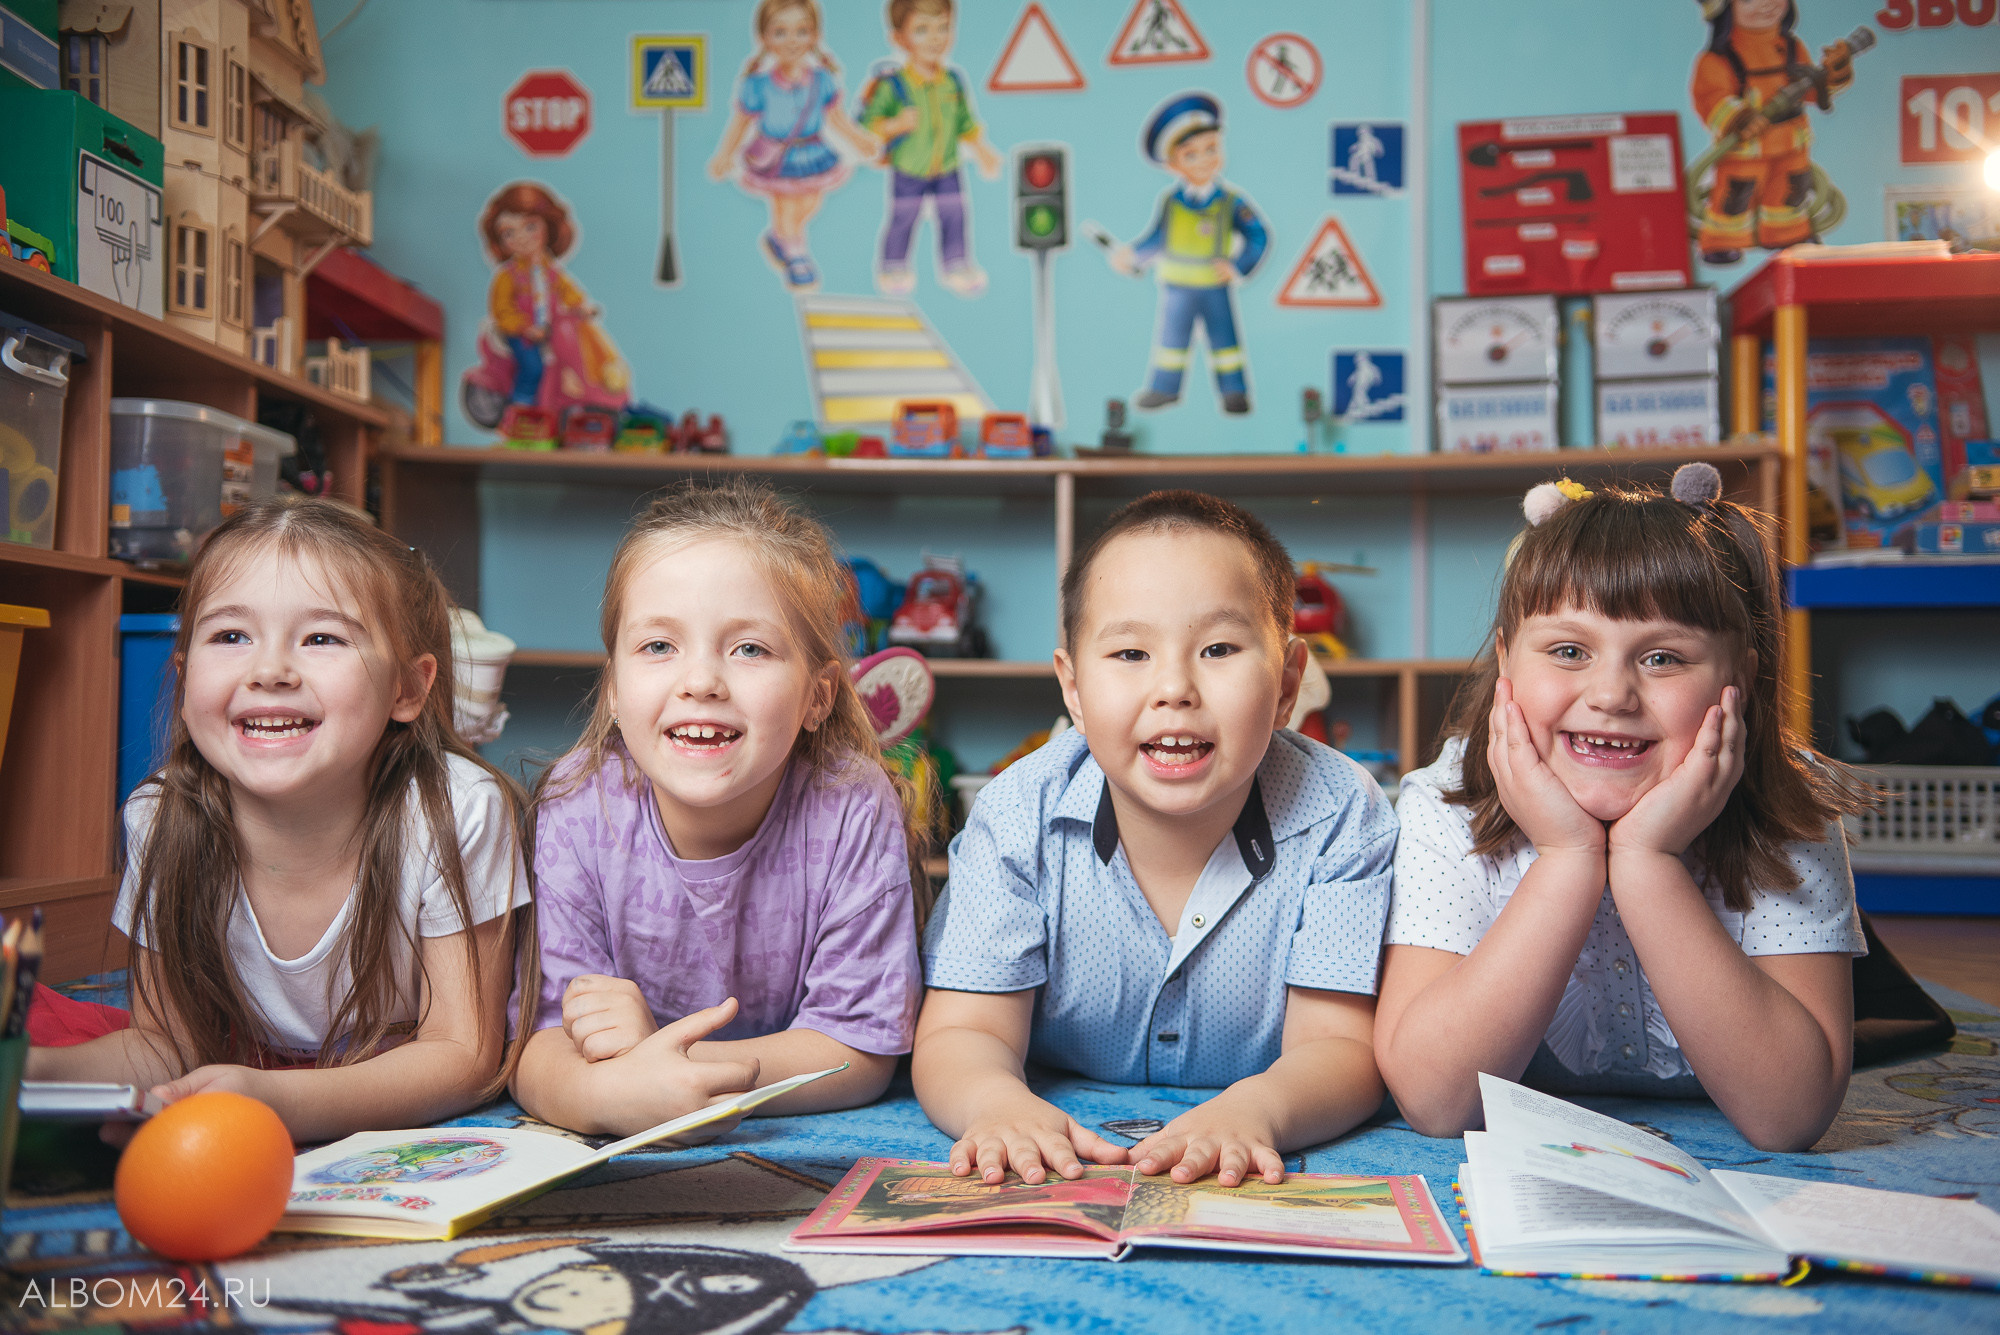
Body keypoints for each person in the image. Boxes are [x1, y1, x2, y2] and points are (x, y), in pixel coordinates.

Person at [1375, 465, 1868, 1152]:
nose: (1611, 693)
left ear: (1742, 678)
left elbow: (1788, 1115)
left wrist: (1647, 861)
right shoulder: (1446, 800)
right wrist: (1568, 858)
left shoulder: (1791, 804)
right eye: (1569, 650)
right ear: (1506, 662)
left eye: (1663, 657)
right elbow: (1435, 1100)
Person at [914, 491, 1395, 1189]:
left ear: (1288, 681)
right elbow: (963, 1032)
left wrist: (1259, 1110)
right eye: (1132, 651)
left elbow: (1341, 1050)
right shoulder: (1017, 813)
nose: (1174, 686)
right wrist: (997, 1104)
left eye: (1219, 648)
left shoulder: (1343, 813)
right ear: (1073, 689)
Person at [27, 498, 534, 1141]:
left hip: (389, 1072)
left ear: (408, 688)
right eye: (230, 636)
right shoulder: (161, 816)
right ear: (184, 683)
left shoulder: (455, 811)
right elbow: (166, 1045)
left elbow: (463, 1057)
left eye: (322, 637)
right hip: (245, 1066)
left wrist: (278, 1100)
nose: (269, 671)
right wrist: (32, 1070)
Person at [511, 482, 924, 1136]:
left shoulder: (851, 802)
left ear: (817, 696)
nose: (701, 680)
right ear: (614, 688)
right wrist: (605, 1096)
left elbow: (859, 1051)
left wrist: (679, 1068)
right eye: (658, 646)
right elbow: (539, 1044)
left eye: (749, 648)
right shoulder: (578, 805)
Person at [1106, 93, 1267, 416]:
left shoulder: (1231, 201)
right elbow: (1157, 238)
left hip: (1214, 286)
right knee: (1171, 344)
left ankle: (1234, 392)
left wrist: (1239, 266)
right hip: (1177, 287)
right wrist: (1131, 256)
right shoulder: (1171, 202)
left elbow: (1258, 235)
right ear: (1174, 165)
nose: (1204, 160)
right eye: (1191, 155)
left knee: (1225, 343)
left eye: (1211, 149)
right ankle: (1165, 389)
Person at [708, 0, 878, 292]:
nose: (792, 41)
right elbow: (740, 122)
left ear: (814, 36)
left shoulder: (822, 80)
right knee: (785, 205)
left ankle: (780, 238)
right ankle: (796, 255)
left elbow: (836, 119)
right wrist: (724, 155)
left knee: (811, 202)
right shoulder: (758, 85)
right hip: (775, 155)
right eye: (781, 32)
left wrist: (860, 140)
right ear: (764, 38)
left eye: (802, 31)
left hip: (812, 151)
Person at [1690, 0, 1854, 264]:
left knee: (1791, 191)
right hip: (1746, 151)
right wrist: (1739, 118)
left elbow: (1811, 91)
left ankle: (1787, 235)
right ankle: (1722, 242)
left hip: (1791, 144)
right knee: (1736, 196)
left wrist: (1833, 75)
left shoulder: (1791, 49)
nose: (1766, 4)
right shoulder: (1718, 59)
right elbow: (1710, 96)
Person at [857, 0, 1002, 298]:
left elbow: (965, 122)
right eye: (922, 30)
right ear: (899, 39)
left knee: (955, 213)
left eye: (943, 28)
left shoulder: (952, 82)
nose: (935, 38)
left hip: (947, 166)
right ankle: (894, 265)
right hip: (910, 167)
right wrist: (895, 124)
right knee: (904, 216)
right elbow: (869, 126)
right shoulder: (893, 85)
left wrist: (983, 150)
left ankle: (956, 263)